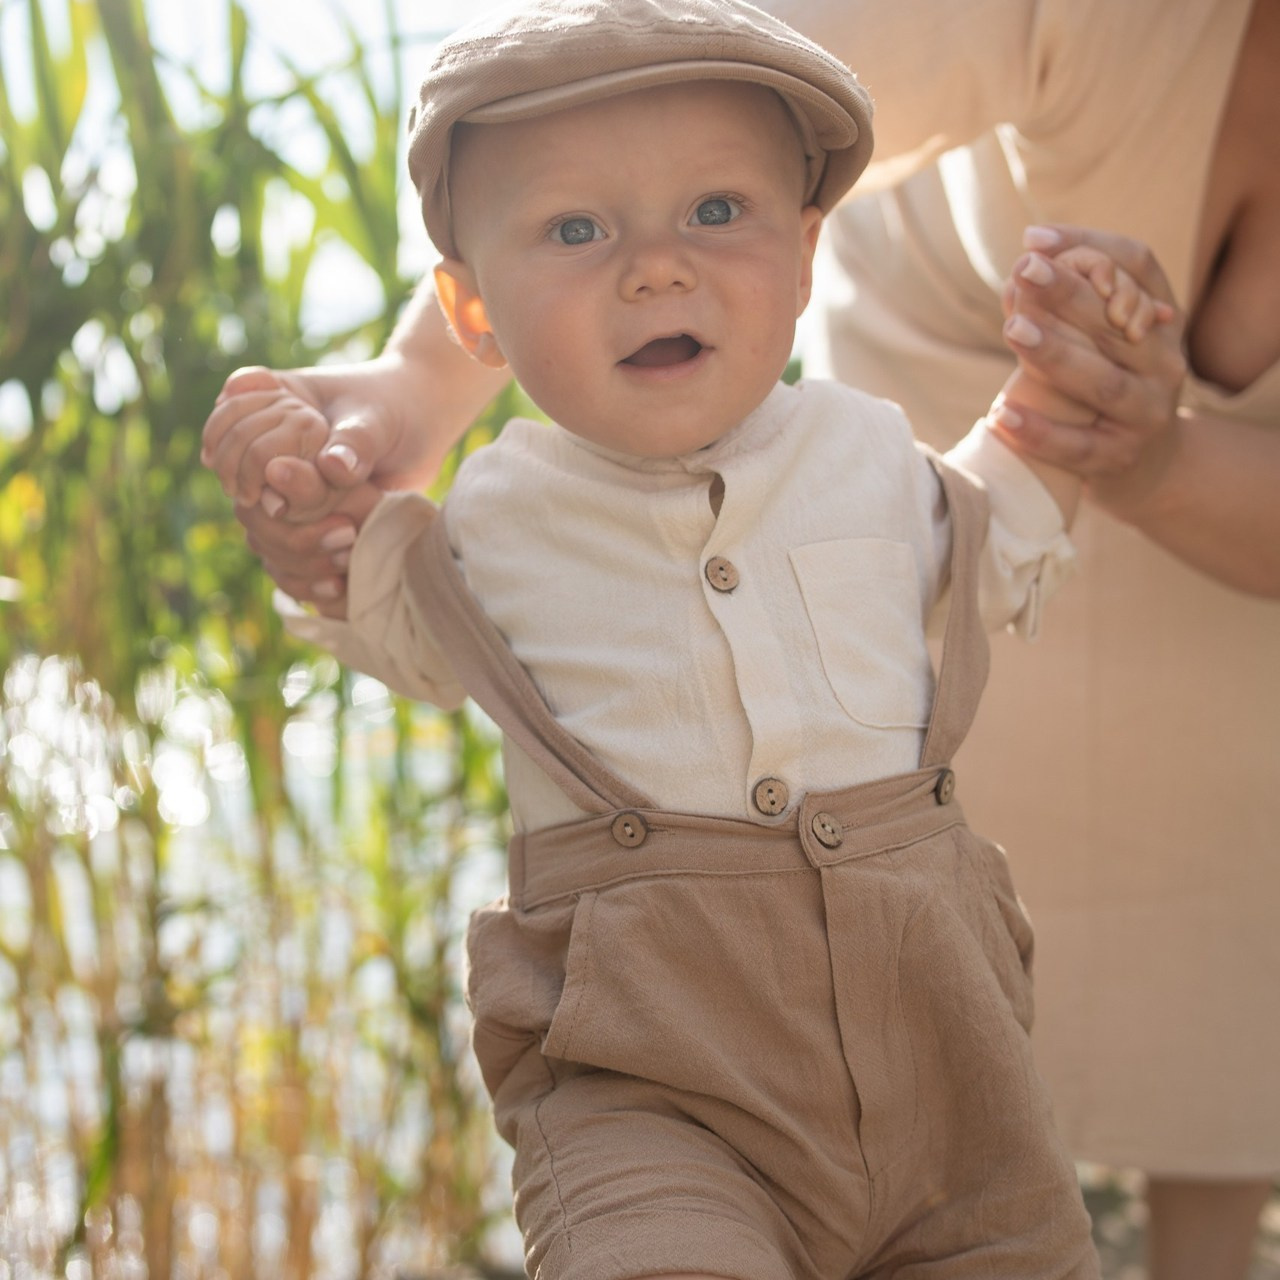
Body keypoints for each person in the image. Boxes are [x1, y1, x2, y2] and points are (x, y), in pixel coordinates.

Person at [202, 1, 1280, 1275]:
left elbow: (996, 515)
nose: (657, 265)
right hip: (652, 1080)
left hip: (949, 1072)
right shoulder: (491, 517)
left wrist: (1065, 385)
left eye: (718, 212)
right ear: (473, 310)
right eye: (575, 228)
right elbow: (386, 611)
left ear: (808, 251)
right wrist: (308, 518)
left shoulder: (868, 451)